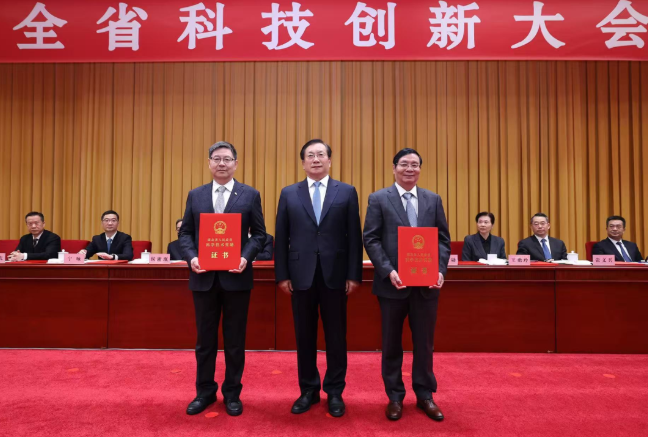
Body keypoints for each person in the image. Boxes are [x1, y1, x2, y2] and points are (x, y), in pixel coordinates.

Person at [275, 139, 363, 418]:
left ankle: (335, 391)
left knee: (336, 336)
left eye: (321, 155)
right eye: (310, 155)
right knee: (304, 336)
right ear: (303, 163)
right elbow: (281, 236)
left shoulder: (346, 192)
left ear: (329, 160)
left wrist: (353, 274)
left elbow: (354, 236)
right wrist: (282, 275)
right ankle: (308, 390)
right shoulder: (289, 193)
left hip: (335, 274)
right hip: (300, 275)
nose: (316, 159)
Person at [179, 141, 266, 417]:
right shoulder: (196, 195)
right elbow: (185, 233)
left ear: (236, 164)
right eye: (216, 159)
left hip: (236, 278)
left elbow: (260, 234)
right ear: (209, 163)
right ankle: (204, 392)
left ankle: (232, 393)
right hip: (203, 278)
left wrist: (246, 256)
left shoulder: (250, 195)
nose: (221, 163)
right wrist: (192, 257)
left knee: (235, 340)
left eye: (227, 159)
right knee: (205, 340)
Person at [363, 148, 450, 422]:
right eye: (404, 164)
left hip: (426, 286)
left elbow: (443, 240)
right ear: (394, 168)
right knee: (391, 343)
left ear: (420, 169)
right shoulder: (379, 198)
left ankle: (425, 395)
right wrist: (388, 271)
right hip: (392, 286)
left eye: (414, 164)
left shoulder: (433, 199)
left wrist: (440, 269)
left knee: (424, 343)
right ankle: (395, 396)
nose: (409, 168)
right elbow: (371, 238)